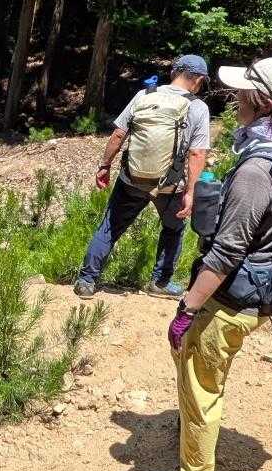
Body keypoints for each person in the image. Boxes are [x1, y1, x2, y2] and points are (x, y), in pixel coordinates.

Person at [145, 57, 272, 471]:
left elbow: (226, 253)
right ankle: (192, 434)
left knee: (202, 384)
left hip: (232, 299)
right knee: (203, 375)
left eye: (243, 92)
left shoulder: (257, 171)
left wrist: (187, 308)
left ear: (264, 103)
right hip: (261, 288)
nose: (235, 98)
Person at [75, 55, 213, 299]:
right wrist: (191, 192)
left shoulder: (144, 95)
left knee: (110, 227)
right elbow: (197, 153)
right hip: (170, 185)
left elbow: (119, 135)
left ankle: (86, 281)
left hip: (132, 179)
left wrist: (105, 165)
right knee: (173, 229)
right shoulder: (198, 107)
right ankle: (160, 282)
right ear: (199, 80)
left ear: (174, 72)